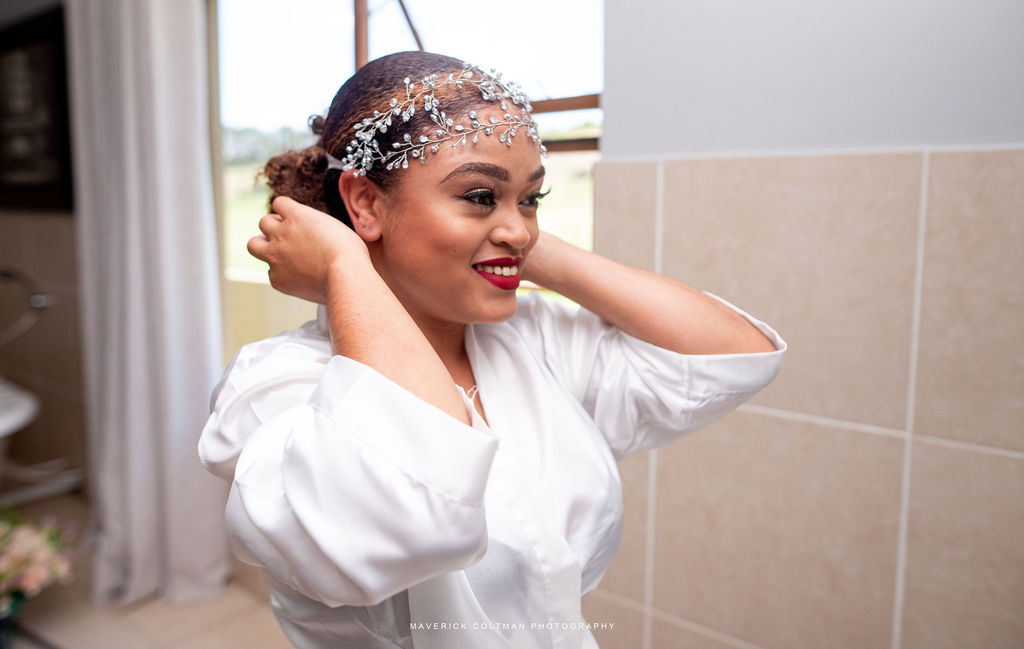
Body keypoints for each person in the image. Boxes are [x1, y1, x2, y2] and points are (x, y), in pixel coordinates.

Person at [198, 51, 786, 649]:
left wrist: (514, 238)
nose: (521, 228)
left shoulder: (531, 340)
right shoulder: (274, 389)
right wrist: (344, 265)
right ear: (366, 203)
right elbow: (421, 517)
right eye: (479, 194)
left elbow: (736, 356)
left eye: (533, 198)